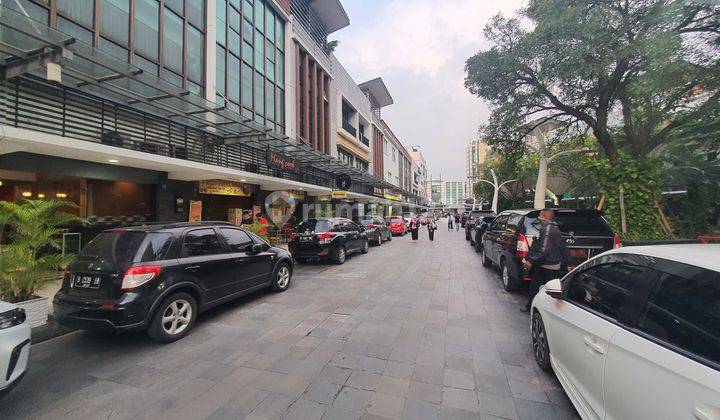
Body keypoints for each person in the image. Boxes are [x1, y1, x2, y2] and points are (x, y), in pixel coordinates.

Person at [522, 209, 569, 312]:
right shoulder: (555, 228)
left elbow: (544, 250)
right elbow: (563, 247)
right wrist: (569, 262)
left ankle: (548, 310)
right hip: (549, 264)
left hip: (547, 264)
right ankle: (530, 307)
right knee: (537, 287)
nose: (539, 217)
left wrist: (531, 261)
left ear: (544, 216)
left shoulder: (548, 229)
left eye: (540, 215)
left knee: (545, 289)